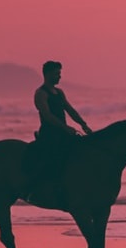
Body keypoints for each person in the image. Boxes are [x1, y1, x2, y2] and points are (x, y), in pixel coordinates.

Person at [23, 60, 95, 203]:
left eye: (59, 73)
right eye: (57, 74)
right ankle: (37, 189)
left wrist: (83, 124)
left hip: (63, 133)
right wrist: (65, 127)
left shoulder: (59, 92)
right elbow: (47, 115)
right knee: (54, 157)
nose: (59, 77)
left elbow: (70, 110)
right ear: (48, 74)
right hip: (49, 134)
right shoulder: (41, 93)